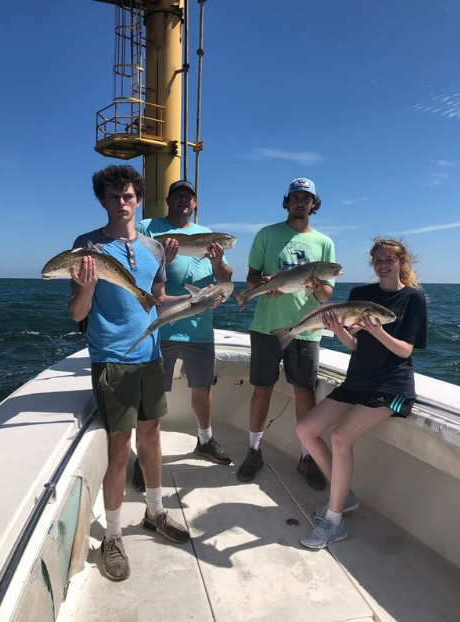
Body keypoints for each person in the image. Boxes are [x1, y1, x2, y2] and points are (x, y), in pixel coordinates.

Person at [68, 165, 190, 582]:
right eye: (113, 196)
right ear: (102, 201)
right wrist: (85, 285)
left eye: (128, 195)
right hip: (112, 359)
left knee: (152, 436)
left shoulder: (156, 249)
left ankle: (155, 512)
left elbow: (155, 300)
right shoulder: (86, 246)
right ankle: (113, 536)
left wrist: (199, 302)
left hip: (150, 355)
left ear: (138, 200)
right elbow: (77, 313)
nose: (122, 203)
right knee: (120, 448)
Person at [297, 238, 428, 549]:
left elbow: (404, 350)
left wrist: (378, 330)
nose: (383, 265)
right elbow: (355, 345)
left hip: (392, 386)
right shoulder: (360, 294)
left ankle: (334, 520)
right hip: (357, 380)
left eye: (389, 261)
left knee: (341, 437)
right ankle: (345, 495)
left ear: (401, 263)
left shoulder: (413, 299)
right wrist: (340, 331)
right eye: (378, 261)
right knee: (305, 429)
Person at [236, 178, 336, 489]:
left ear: (314, 204)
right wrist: (261, 285)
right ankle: (253, 451)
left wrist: (319, 286)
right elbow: (251, 276)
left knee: (304, 393)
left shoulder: (324, 243)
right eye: (295, 197)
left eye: (306, 198)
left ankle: (307, 457)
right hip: (266, 326)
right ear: (287, 201)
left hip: (306, 330)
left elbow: (326, 295)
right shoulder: (267, 234)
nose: (300, 202)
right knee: (262, 388)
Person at [134, 179, 233, 490]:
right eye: (177, 196)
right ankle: (144, 457)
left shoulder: (207, 236)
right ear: (168, 200)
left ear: (194, 204)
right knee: (152, 394)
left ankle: (204, 441)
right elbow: (136, 267)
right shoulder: (149, 227)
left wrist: (218, 261)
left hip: (199, 326)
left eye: (187, 197)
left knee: (202, 388)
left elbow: (227, 277)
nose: (182, 201)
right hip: (161, 322)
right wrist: (165, 259)